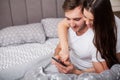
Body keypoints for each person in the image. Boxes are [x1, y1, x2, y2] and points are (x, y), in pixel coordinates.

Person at [55, 0, 120, 74]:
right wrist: (64, 50)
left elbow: (106, 70)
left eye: (92, 20)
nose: (87, 23)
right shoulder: (76, 20)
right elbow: (62, 25)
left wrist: (75, 72)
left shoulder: (106, 34)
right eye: (85, 17)